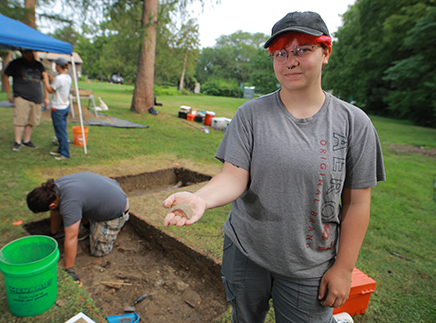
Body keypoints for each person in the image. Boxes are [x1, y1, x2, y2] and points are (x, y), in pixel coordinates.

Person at [162, 11, 385, 323]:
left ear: (326, 52)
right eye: (280, 53)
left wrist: (344, 269)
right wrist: (201, 198)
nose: (290, 60)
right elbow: (233, 176)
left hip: (310, 266)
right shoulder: (250, 115)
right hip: (245, 253)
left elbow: (358, 202)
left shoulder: (353, 124)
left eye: (302, 49)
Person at [27, 172, 130, 284]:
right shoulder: (54, 188)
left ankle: (114, 230)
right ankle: (89, 227)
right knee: (73, 211)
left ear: (51, 205)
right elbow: (55, 211)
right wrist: (52, 233)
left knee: (98, 252)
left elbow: (71, 237)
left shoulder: (69, 202)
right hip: (107, 194)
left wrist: (69, 269)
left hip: (116, 210)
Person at [3, 49, 49, 151]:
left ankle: (26, 141)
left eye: (30, 53)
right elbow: (5, 76)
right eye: (26, 53)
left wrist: (47, 97)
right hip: (21, 96)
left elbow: (45, 81)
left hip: (36, 98)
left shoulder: (39, 65)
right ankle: (17, 142)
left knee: (31, 121)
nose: (29, 55)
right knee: (20, 120)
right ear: (22, 54)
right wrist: (9, 94)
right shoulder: (15, 63)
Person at [42, 57, 72, 160]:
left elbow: (50, 90)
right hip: (65, 107)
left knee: (61, 131)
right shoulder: (67, 77)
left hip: (58, 109)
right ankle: (60, 149)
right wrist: (50, 78)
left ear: (58, 66)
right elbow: (58, 86)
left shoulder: (59, 78)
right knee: (61, 129)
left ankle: (65, 154)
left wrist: (45, 79)